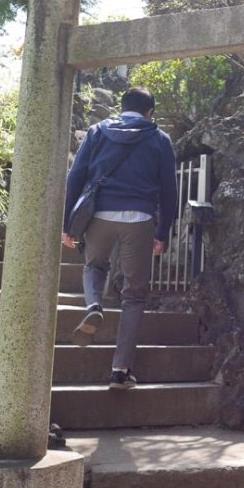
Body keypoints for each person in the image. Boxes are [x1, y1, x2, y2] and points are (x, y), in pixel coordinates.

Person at [62, 86, 177, 389]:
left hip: (100, 215)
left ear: (121, 106)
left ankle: (93, 306)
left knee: (94, 267)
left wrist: (68, 226)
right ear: (150, 112)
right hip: (140, 219)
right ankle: (120, 371)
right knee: (134, 295)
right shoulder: (159, 140)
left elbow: (75, 176)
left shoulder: (97, 131)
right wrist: (162, 232)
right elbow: (169, 191)